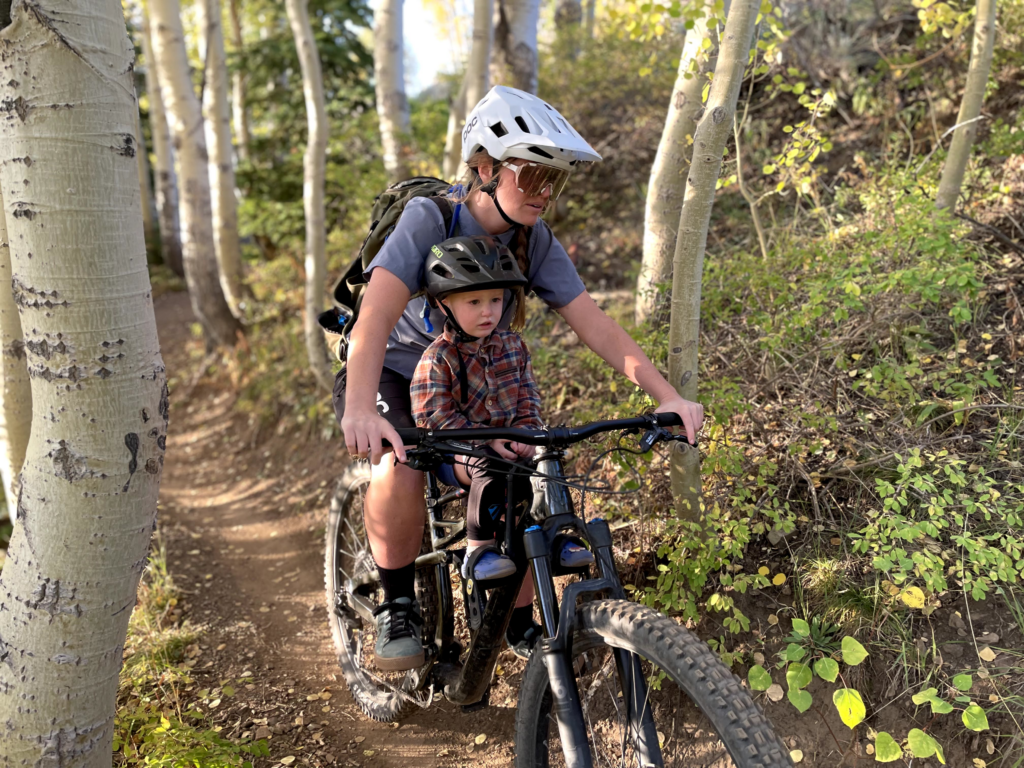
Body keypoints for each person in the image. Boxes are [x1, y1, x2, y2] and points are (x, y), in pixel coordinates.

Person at [335, 85, 704, 672]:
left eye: (553, 181)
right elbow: (375, 317)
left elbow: (595, 324)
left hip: (474, 375)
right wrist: (361, 408)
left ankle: (512, 616)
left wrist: (667, 397)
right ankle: (398, 602)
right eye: (531, 177)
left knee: (522, 468)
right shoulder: (428, 218)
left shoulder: (534, 240)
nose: (544, 193)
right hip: (393, 366)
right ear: (483, 168)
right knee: (398, 459)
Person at [409, 236, 595, 590]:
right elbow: (434, 418)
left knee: (547, 457)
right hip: (457, 452)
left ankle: (558, 534)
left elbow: (528, 397)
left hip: (510, 443)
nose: (488, 311)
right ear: (445, 303)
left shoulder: (512, 346)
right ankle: (480, 549)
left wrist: (526, 432)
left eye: (495, 300)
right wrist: (489, 439)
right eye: (474, 301)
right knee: (488, 464)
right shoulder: (438, 358)